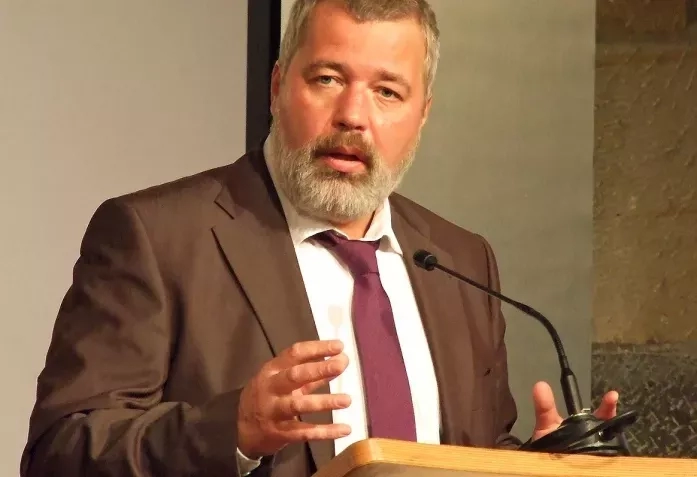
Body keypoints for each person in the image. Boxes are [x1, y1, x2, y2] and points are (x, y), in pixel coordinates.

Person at [21, 1, 619, 476]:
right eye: (328, 78)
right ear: (279, 85)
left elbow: (469, 449)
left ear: (422, 114)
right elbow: (59, 452)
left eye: (388, 91)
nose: (353, 115)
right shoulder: (159, 237)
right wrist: (231, 431)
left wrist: (539, 465)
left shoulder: (461, 260)